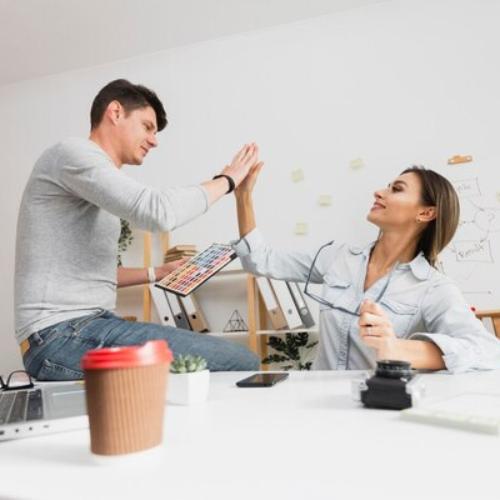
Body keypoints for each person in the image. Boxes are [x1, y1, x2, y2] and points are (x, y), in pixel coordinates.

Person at [15, 78, 260, 380]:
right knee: (240, 361)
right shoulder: (71, 154)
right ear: (115, 112)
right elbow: (158, 211)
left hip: (78, 328)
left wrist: (158, 272)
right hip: (59, 335)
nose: (154, 141)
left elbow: (97, 273)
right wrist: (227, 180)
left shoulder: (93, 182)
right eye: (147, 127)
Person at [232, 162, 500, 372]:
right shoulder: (337, 257)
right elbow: (260, 260)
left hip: (375, 408)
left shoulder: (432, 287)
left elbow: (489, 352)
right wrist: (243, 197)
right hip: (316, 399)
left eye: (397, 189)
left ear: (426, 213)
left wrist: (397, 348)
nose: (379, 192)